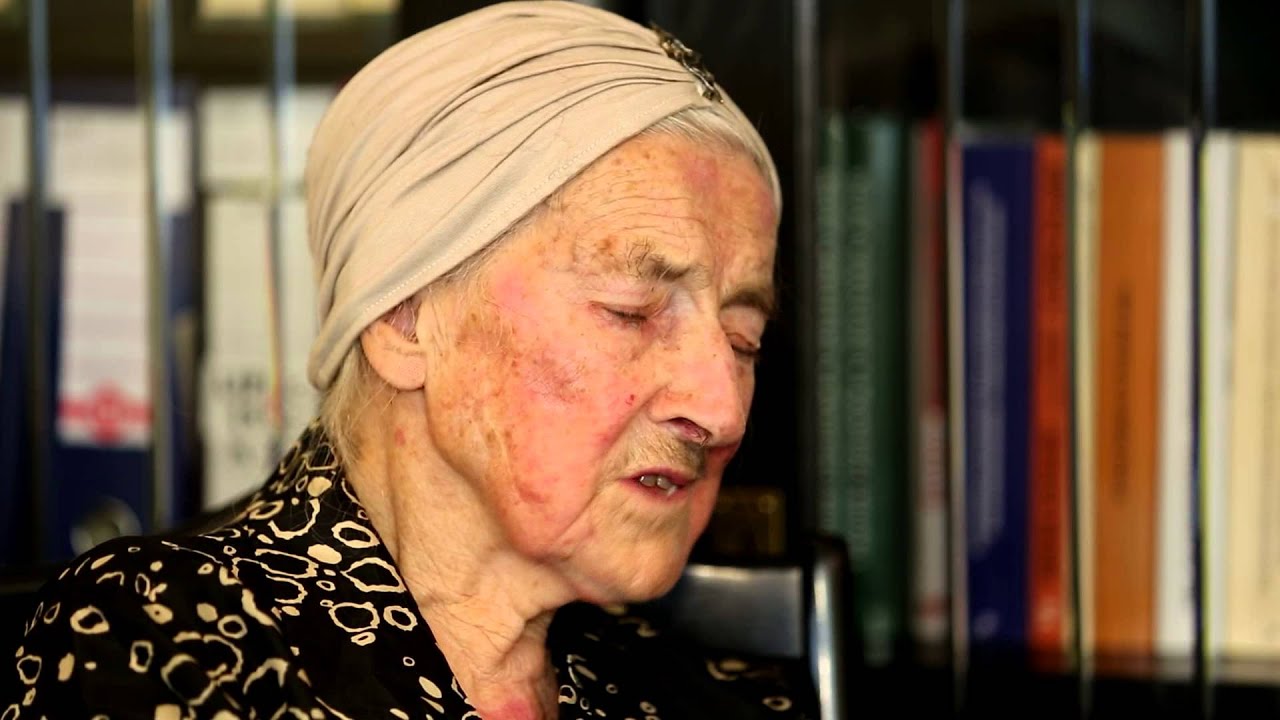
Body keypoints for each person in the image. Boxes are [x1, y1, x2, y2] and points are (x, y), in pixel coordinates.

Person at [2, 2, 813, 717]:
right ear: (404, 318)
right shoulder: (165, 649)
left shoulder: (725, 696)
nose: (722, 408)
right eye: (631, 311)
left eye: (743, 340)